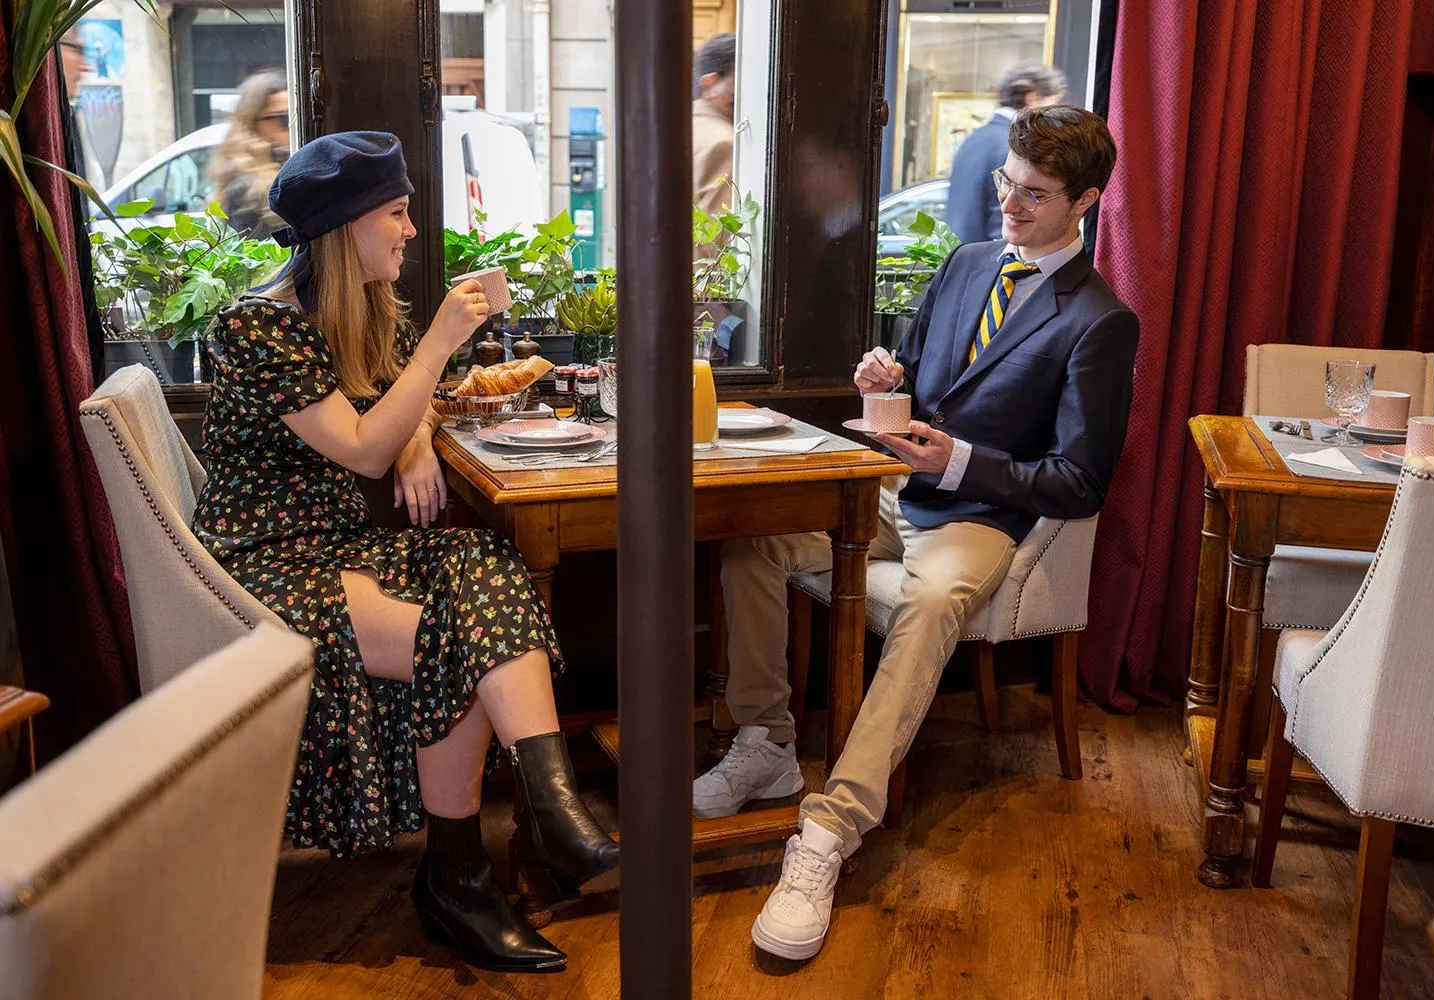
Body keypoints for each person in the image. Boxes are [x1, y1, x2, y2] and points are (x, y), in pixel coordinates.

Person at [694, 105, 1139, 962]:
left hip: (981, 519)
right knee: (755, 540)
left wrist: (963, 460)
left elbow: (1081, 481)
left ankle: (826, 834)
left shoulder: (1101, 321)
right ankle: (768, 744)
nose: (1008, 202)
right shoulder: (968, 262)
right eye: (1007, 181)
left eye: (1034, 195)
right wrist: (885, 373)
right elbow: (926, 381)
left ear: (1083, 202)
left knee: (931, 603)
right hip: (894, 493)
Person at [192, 131, 618, 974]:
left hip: (336, 548)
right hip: (262, 567)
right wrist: (437, 353)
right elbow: (361, 449)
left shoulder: (347, 316)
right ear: (346, 227)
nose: (410, 230)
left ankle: (547, 811)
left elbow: (398, 417)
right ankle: (466, 874)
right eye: (396, 212)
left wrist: (418, 438)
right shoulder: (255, 327)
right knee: (456, 636)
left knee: (480, 565)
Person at [945, 63, 1067, 244]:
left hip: (963, 258)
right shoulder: (1016, 145)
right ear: (1033, 99)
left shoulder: (974, 138)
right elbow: (1005, 222)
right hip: (992, 263)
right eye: (1054, 103)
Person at [209, 69, 292, 239]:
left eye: (294, 115)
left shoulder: (291, 165)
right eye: (282, 118)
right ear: (252, 123)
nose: (291, 125)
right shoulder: (246, 189)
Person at [692, 32, 737, 215]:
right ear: (710, 83)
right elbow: (716, 240)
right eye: (739, 80)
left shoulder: (681, 126)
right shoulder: (725, 144)